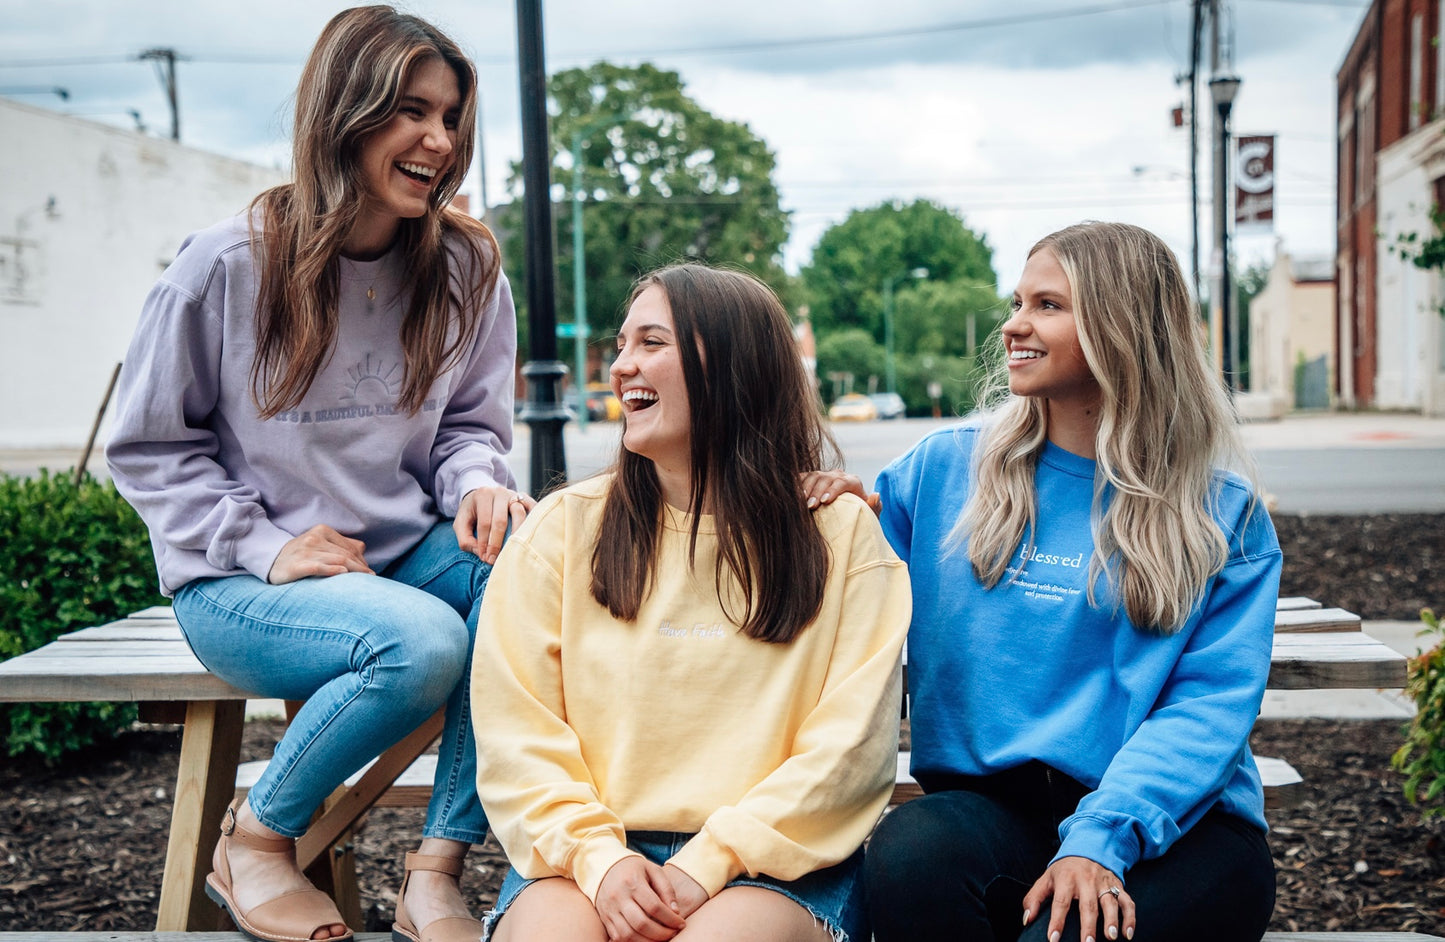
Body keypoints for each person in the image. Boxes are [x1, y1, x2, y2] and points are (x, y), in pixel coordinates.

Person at [104, 8, 530, 942]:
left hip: (399, 556)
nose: (439, 140)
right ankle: (256, 841)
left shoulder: (466, 267)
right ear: (345, 113)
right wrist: (265, 544)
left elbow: (468, 427)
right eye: (412, 111)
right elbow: (145, 448)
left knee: (534, 589)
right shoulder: (225, 265)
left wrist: (477, 488)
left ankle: (435, 872)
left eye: (452, 116)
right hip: (237, 584)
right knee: (420, 643)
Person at [860, 222, 1281, 942]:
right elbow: (839, 595)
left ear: (1121, 328)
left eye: (1046, 305)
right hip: (990, 817)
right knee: (909, 852)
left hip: (1173, 831)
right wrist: (809, 516)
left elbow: (1205, 708)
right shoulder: (940, 472)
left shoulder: (1217, 513)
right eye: (1017, 301)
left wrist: (1099, 840)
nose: (1012, 325)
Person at [469, 263, 910, 942]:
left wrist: (708, 863)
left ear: (734, 366)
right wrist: (601, 861)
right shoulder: (560, 530)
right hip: (585, 862)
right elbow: (515, 734)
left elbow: (848, 752)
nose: (621, 367)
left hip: (774, 867)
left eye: (651, 343)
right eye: (621, 346)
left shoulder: (838, 533)